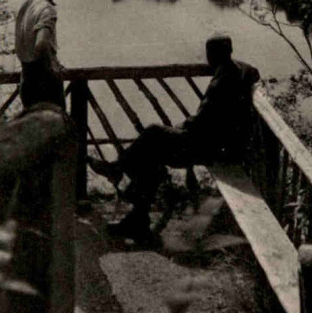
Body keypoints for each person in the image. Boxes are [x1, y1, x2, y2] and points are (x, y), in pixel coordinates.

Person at [88, 34, 259, 241]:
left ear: (210, 56)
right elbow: (254, 72)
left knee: (152, 133)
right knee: (151, 156)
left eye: (210, 54)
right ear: (230, 52)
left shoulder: (220, 83)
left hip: (207, 149)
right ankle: (136, 220)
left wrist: (178, 129)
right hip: (223, 145)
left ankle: (118, 173)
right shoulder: (240, 70)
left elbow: (200, 124)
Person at [15, 0, 72, 110]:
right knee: (56, 129)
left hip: (26, 80)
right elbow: (41, 44)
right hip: (44, 83)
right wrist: (54, 66)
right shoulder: (47, 9)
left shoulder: (28, 4)